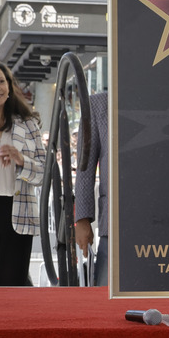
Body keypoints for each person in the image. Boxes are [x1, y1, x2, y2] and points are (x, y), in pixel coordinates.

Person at [0, 59, 46, 286]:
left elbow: (44, 174)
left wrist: (22, 161)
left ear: (9, 85)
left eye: (1, 81)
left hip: (18, 214)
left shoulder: (28, 124)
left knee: (12, 291)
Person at [74, 92, 109, 286]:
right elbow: (85, 167)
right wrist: (82, 219)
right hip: (113, 225)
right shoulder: (98, 104)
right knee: (104, 299)